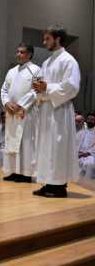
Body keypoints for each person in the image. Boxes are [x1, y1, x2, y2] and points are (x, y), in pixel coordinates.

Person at [32, 25, 80, 198]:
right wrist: (38, 88)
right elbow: (43, 86)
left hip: (59, 111)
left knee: (57, 148)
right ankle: (47, 182)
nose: (44, 42)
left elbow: (72, 87)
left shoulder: (69, 61)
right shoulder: (47, 62)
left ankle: (59, 186)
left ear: (58, 39)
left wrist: (47, 87)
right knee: (45, 147)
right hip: (46, 110)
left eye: (47, 39)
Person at [1, 43, 40, 183]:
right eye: (17, 51)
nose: (18, 54)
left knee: (25, 142)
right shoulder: (11, 71)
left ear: (29, 54)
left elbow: (36, 90)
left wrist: (21, 105)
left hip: (26, 112)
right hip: (11, 113)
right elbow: (4, 89)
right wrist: (6, 103)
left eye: (22, 52)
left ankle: (25, 173)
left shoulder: (36, 70)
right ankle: (13, 171)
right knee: (11, 141)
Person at [78, 113, 95, 180]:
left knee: (89, 164)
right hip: (79, 154)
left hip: (91, 155)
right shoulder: (82, 131)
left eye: (92, 119)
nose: (90, 121)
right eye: (88, 119)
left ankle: (87, 183)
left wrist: (88, 153)